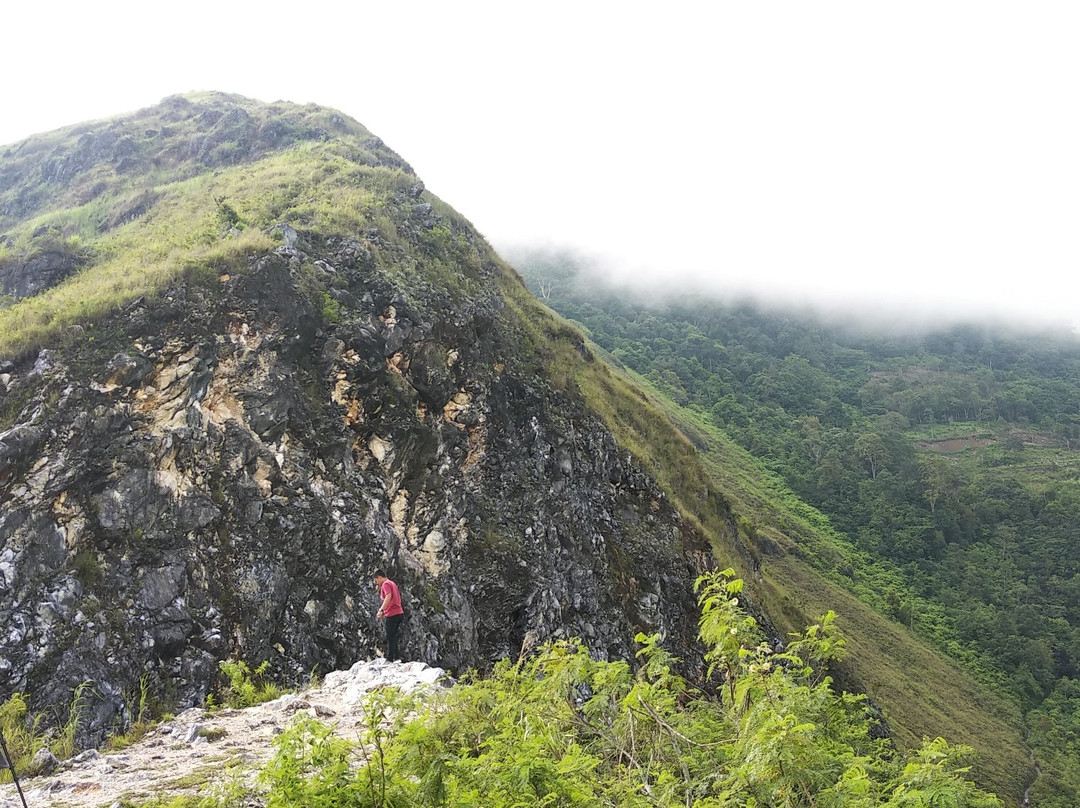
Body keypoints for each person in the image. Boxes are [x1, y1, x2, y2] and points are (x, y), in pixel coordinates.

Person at [373, 570, 405, 662]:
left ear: (379, 577)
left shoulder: (385, 584)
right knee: (393, 636)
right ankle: (397, 657)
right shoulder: (392, 583)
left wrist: (381, 610)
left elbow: (388, 596)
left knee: (390, 636)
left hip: (392, 614)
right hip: (399, 612)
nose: (376, 584)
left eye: (376, 581)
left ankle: (391, 658)